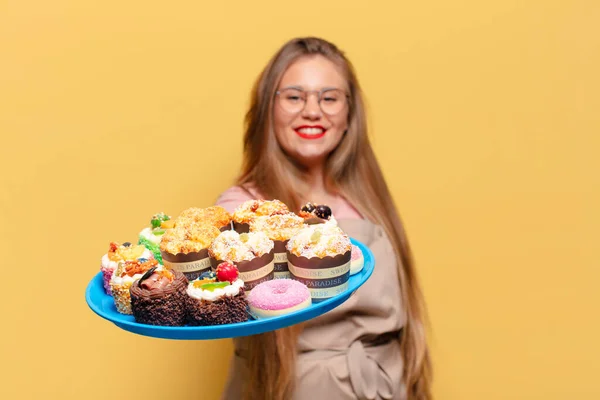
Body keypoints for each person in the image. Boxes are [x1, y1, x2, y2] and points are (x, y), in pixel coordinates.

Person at [216, 37, 432, 400]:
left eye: (329, 97)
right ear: (269, 108)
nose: (312, 111)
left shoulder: (367, 196)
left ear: (349, 114)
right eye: (294, 97)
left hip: (383, 386)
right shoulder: (245, 208)